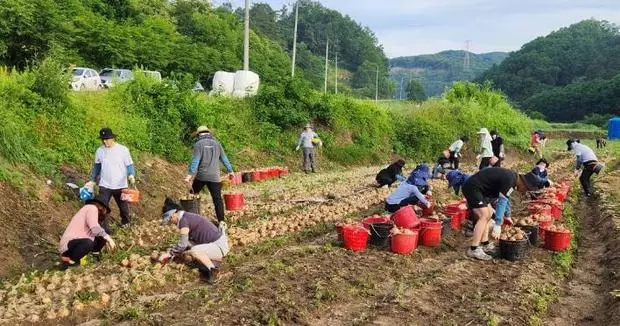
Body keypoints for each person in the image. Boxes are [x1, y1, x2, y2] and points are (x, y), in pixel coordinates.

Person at [461, 168, 543, 260]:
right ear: (524, 183)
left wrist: (507, 215)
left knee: (489, 213)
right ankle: (473, 249)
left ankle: (485, 244)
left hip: (481, 191)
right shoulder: (510, 180)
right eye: (526, 188)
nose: (524, 191)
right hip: (473, 188)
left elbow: (505, 199)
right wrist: (498, 224)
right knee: (483, 215)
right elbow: (502, 202)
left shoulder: (513, 179)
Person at [158, 198, 229, 284]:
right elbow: (186, 242)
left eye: (170, 220)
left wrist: (170, 254)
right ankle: (211, 261)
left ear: (173, 215)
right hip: (215, 242)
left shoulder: (184, 221)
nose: (171, 223)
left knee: (194, 251)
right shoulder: (186, 216)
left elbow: (183, 244)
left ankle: (213, 271)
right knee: (189, 248)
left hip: (218, 246)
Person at [88, 127, 136, 228]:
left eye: (107, 139)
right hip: (105, 185)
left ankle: (125, 222)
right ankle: (104, 228)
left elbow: (129, 165)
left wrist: (131, 175)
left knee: (123, 207)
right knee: (102, 207)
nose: (105, 142)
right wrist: (92, 180)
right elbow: (97, 166)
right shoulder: (99, 151)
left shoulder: (123, 150)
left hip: (120, 185)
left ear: (112, 138)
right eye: (103, 139)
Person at [185, 126, 234, 223]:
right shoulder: (217, 143)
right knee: (217, 200)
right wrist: (230, 170)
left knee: (192, 194)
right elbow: (224, 158)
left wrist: (189, 175)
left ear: (198, 134)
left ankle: (190, 218)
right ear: (209, 133)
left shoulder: (198, 144)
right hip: (215, 177)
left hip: (201, 176)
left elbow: (195, 161)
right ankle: (222, 222)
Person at [59, 198, 116, 269]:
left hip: (78, 243)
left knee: (104, 232)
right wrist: (109, 239)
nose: (105, 213)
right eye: (105, 211)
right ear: (101, 207)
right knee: (89, 242)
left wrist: (105, 237)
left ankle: (94, 255)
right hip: (69, 245)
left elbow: (99, 230)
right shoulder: (92, 208)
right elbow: (95, 228)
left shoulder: (90, 211)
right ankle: (70, 262)